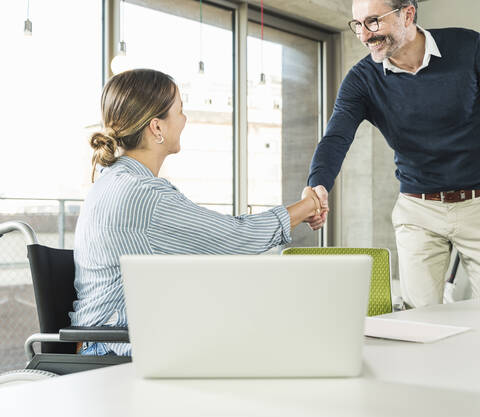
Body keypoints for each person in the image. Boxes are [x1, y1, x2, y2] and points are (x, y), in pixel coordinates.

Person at [70, 68, 322, 356]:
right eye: (180, 110)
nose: (185, 119)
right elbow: (236, 239)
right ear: (157, 127)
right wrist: (308, 205)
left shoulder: (112, 181)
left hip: (110, 343)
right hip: (117, 352)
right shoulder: (141, 195)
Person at [307, 0, 480, 308]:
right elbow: (336, 137)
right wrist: (318, 183)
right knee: (422, 318)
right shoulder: (362, 80)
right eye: (357, 24)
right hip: (419, 210)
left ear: (407, 14)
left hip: (477, 203)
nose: (363, 35)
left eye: (373, 21)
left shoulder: (469, 47)